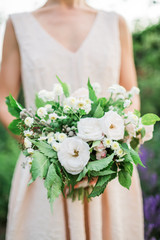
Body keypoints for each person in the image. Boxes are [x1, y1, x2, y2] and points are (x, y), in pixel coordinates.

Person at [0, 0, 144, 239]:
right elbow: (4, 96)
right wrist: (42, 149)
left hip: (108, 175)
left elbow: (131, 95)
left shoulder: (115, 23)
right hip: (45, 173)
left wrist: (108, 153)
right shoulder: (19, 24)